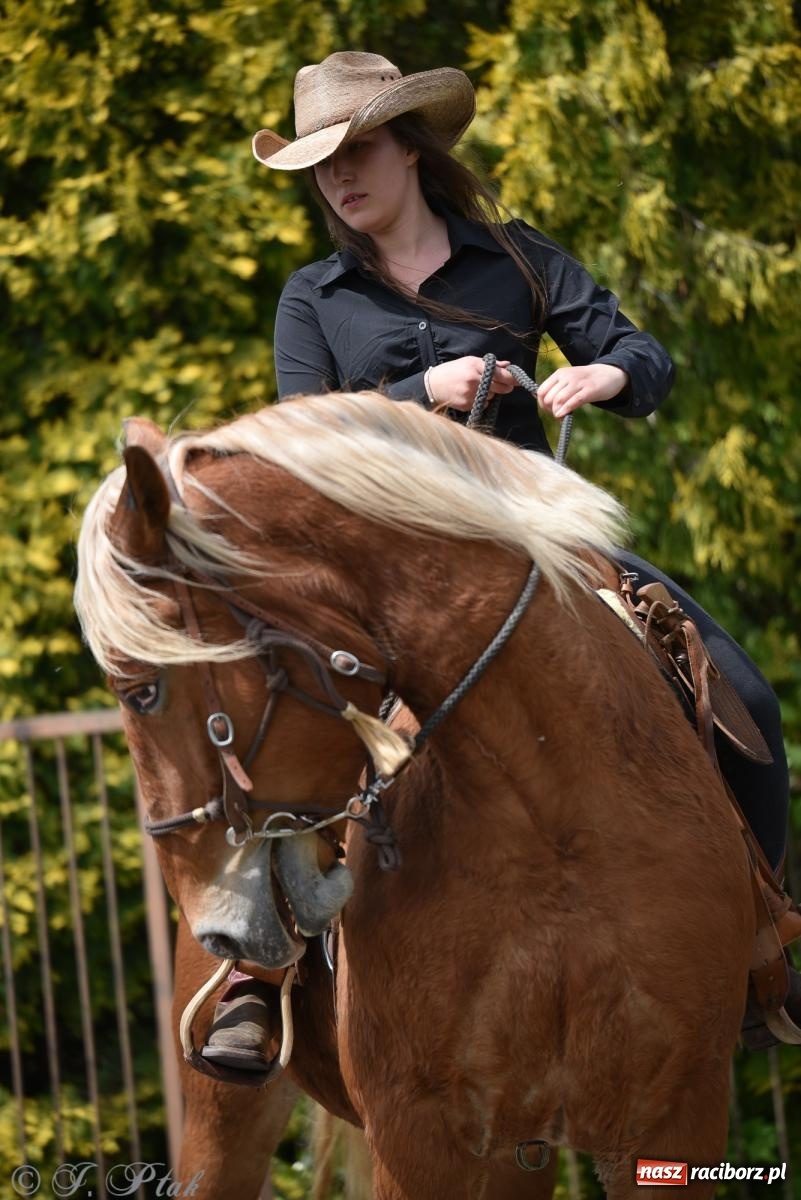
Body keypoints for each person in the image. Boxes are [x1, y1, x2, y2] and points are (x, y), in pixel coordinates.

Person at [201, 51, 799, 1075]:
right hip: (381, 570)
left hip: (536, 540)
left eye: (358, 149)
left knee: (743, 693)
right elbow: (299, 437)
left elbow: (643, 358)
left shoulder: (517, 259)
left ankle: (763, 938)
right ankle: (254, 974)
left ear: (410, 148)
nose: (339, 176)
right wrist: (421, 392)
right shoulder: (313, 297)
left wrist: (603, 372)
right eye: (320, 162)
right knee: (278, 717)